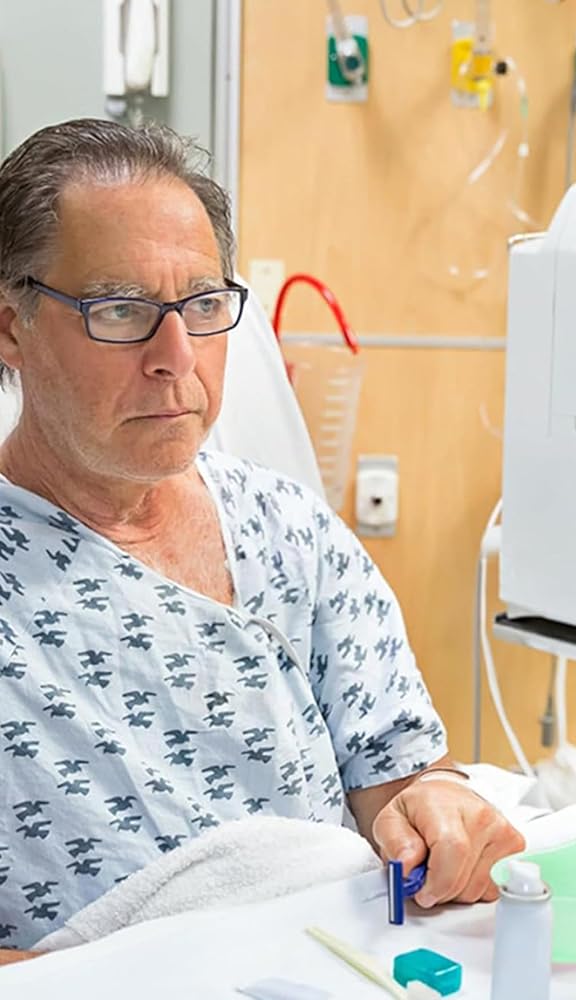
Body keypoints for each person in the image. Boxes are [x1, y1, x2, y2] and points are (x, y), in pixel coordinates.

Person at [0, 119, 524, 961]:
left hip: (333, 964)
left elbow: (399, 781)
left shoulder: (288, 532)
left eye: (204, 306)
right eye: (122, 311)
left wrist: (439, 812)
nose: (177, 357)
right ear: (9, 326)